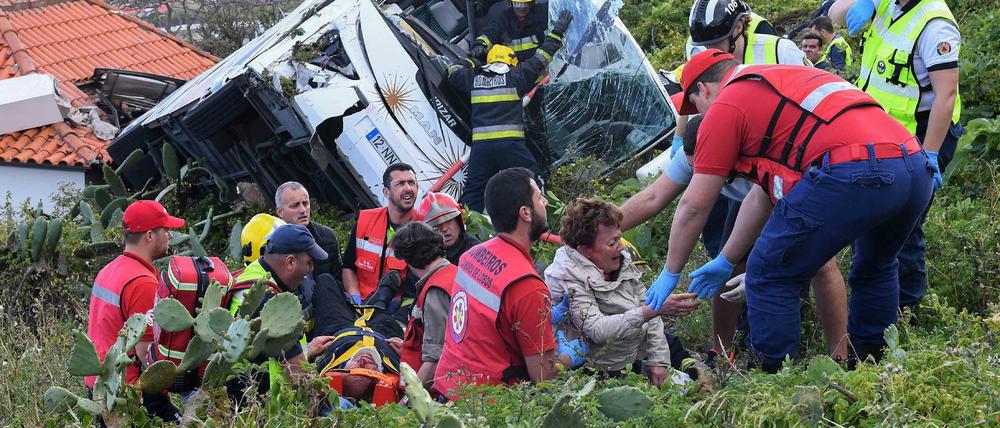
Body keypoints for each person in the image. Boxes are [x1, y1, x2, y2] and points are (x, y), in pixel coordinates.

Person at [649, 49, 933, 372]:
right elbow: (760, 197)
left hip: (856, 166)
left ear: (704, 89)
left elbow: (693, 205)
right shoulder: (779, 85)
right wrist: (726, 260)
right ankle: (873, 368)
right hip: (914, 162)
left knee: (768, 272)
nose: (701, 117)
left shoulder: (726, 104)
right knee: (876, 265)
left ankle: (775, 378)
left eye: (696, 106)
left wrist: (670, 272)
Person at [620, 115, 849, 363]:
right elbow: (653, 197)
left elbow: (772, 210)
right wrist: (601, 227)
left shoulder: (763, 157)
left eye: (704, 166)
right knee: (726, 265)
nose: (700, 174)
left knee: (821, 265)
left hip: (789, 193)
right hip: (748, 202)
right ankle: (721, 352)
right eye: (695, 169)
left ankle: (840, 355)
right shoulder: (692, 155)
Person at [832, 0, 963, 310]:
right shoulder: (887, 4)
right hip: (880, 133)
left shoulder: (935, 23)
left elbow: (946, 96)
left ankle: (905, 309)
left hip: (922, 136)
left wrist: (930, 154)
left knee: (904, 226)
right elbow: (835, 14)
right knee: (871, 220)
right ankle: (875, 302)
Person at [434, 167, 588, 399]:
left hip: (449, 388)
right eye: (539, 197)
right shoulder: (528, 287)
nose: (545, 202)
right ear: (525, 213)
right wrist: (569, 357)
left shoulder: (471, 256)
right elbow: (544, 375)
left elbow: (486, 324)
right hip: (488, 406)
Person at [545, 198, 699, 386]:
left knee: (673, 348)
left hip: (633, 350)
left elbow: (646, 306)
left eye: (619, 238)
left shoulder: (622, 260)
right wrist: (651, 310)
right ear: (585, 251)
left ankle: (692, 369)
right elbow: (597, 329)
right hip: (600, 369)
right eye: (612, 243)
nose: (621, 246)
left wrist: (659, 360)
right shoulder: (568, 277)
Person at [443, 11, 572, 213]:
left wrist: (472, 61)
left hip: (482, 148)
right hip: (510, 145)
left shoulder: (473, 79)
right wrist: (557, 31)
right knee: (533, 178)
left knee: (474, 192)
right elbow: (542, 57)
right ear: (511, 62)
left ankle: (466, 225)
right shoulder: (517, 76)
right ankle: (543, 216)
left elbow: (452, 71)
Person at [86, 200, 185, 421]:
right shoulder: (142, 283)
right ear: (149, 235)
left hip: (99, 387)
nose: (170, 235)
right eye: (166, 230)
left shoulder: (109, 269)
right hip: (130, 393)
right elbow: (146, 353)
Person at [227, 224, 336, 396]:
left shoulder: (253, 276)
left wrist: (305, 351)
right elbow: (301, 379)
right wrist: (334, 402)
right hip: (262, 405)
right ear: (290, 262)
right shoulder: (270, 303)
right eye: (309, 263)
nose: (310, 270)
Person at [391, 222, 457, 390]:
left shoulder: (436, 291)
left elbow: (435, 359)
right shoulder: (454, 274)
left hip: (437, 392)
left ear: (409, 258)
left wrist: (409, 401)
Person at [341, 163, 418, 304]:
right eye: (400, 183)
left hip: (396, 309)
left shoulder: (423, 228)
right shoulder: (365, 220)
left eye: (411, 183)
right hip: (361, 303)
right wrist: (355, 298)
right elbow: (348, 268)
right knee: (326, 282)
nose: (408, 188)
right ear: (386, 192)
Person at [689, 0, 808, 66]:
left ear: (738, 27)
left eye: (717, 42)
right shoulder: (706, 64)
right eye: (706, 44)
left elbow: (811, 94)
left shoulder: (782, 51)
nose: (709, 50)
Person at [315, 326, 403, 408]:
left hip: (338, 328)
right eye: (369, 373)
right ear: (379, 378)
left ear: (341, 372)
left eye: (356, 368)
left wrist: (308, 352)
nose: (363, 360)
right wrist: (408, 354)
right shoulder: (399, 367)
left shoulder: (325, 366)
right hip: (385, 329)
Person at [471, 0, 549, 63]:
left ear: (532, 3)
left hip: (539, 73)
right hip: (513, 73)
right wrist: (480, 44)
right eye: (518, 4)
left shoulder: (542, 13)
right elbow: (490, 32)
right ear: (510, 3)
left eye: (525, 4)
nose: (522, 8)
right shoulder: (503, 19)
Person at [415, 192, 481, 264]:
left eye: (448, 220)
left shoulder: (474, 251)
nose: (444, 228)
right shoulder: (423, 254)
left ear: (458, 221)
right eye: (435, 225)